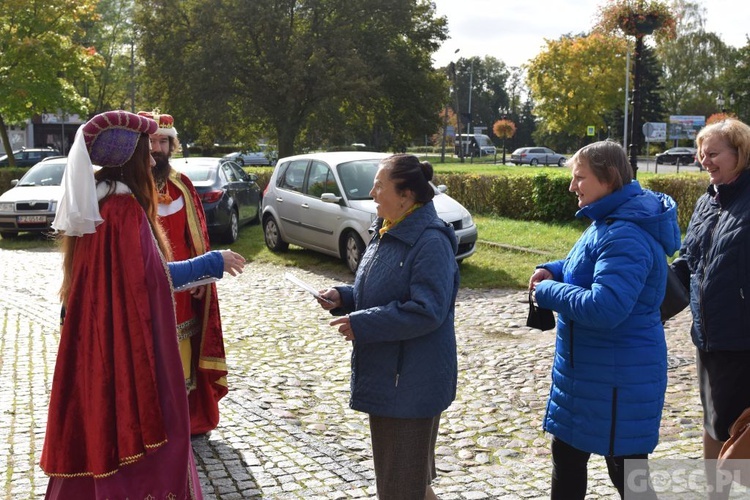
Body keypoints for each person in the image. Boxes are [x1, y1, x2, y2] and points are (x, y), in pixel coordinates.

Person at [39, 110, 245, 499]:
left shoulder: (98, 203)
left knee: (96, 422)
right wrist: (213, 262)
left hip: (95, 342)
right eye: (144, 152)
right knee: (137, 427)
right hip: (126, 347)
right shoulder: (122, 210)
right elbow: (153, 279)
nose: (152, 160)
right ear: (128, 158)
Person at [528, 140, 680, 499]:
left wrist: (547, 294)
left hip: (616, 384)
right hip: (593, 378)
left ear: (608, 178)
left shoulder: (625, 232)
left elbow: (605, 306)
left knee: (627, 476)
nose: (572, 186)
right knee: (571, 460)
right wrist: (552, 269)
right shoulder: (609, 221)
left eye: (580, 177)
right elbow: (587, 269)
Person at [316, 154, 459, 500]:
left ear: (406, 195)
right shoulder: (388, 229)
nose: (372, 191)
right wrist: (346, 297)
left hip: (410, 386)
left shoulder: (430, 241)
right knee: (411, 485)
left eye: (380, 185)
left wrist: (362, 324)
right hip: (395, 380)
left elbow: (427, 311)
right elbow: (384, 290)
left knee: (400, 489)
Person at [670, 118, 750, 498]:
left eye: (714, 153)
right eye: (702, 153)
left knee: (739, 428)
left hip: (743, 338)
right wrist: (647, 304)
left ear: (741, 153)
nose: (705, 160)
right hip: (708, 336)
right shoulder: (707, 200)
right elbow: (688, 262)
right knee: (714, 421)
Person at [138, 109, 228, 435]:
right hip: (146, 288)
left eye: (163, 141)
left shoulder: (183, 186)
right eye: (151, 141)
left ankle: (183, 419)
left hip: (185, 289)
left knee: (183, 352)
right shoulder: (132, 187)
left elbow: (198, 238)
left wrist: (203, 279)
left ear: (172, 145)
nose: (156, 148)